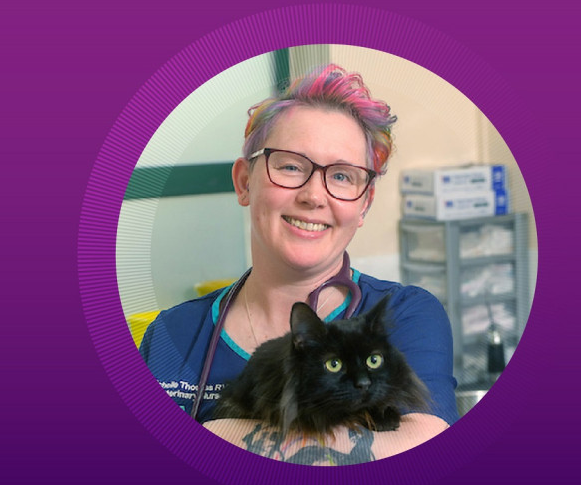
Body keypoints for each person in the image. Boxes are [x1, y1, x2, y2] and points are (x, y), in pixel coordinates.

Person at [139, 64, 458, 464]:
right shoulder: (172, 333)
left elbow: (420, 450)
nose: (313, 195)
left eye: (342, 176)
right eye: (290, 165)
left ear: (364, 205)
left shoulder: (407, 314)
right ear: (243, 182)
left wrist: (216, 431)